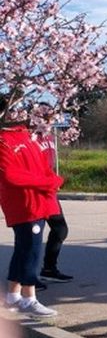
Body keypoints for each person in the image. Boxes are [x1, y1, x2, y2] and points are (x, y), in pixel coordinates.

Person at [0, 107, 63, 317]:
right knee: (31, 252)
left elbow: (42, 165)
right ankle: (29, 298)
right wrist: (47, 182)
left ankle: (13, 294)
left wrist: (52, 181)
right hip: (24, 205)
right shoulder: (4, 140)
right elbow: (10, 175)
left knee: (24, 249)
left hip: (37, 202)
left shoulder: (26, 137)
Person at [35, 131, 73, 284]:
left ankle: (49, 269)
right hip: (36, 188)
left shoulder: (49, 135)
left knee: (60, 229)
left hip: (49, 188)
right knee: (32, 235)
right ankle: (24, 276)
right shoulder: (31, 136)